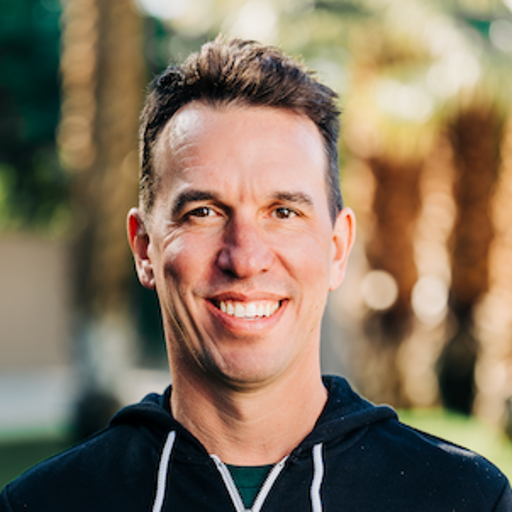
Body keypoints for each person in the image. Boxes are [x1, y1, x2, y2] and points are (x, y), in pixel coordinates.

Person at [1, 36, 511, 512]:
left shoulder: (465, 498)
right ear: (144, 249)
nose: (245, 258)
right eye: (203, 212)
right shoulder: (45, 503)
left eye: (283, 212)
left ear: (337, 249)